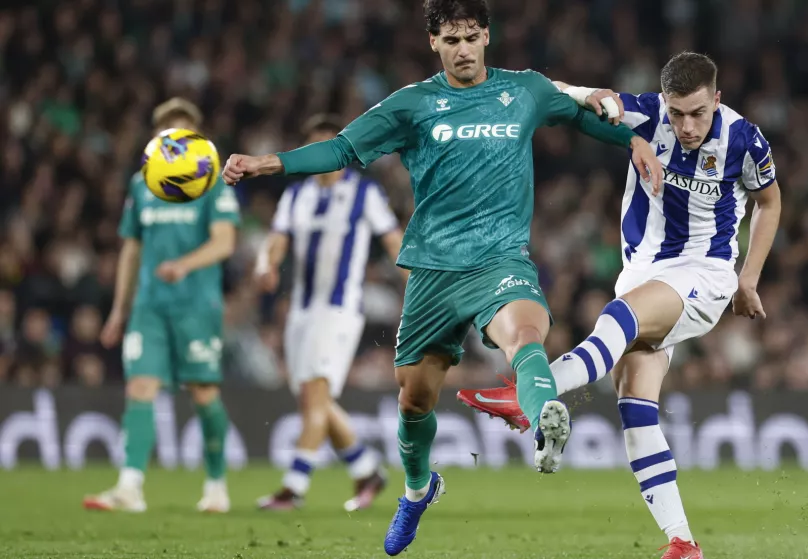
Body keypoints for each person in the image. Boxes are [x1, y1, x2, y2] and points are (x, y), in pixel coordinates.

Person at [221, 0, 662, 553]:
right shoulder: (412, 104)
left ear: (487, 37)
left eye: (472, 37)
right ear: (434, 42)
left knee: (524, 334)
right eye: (452, 40)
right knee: (414, 403)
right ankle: (417, 488)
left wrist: (635, 141)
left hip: (500, 260)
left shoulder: (523, 89)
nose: (463, 50)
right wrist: (269, 164)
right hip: (432, 271)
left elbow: (577, 114)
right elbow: (341, 149)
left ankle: (545, 412)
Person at [457, 52, 783, 559]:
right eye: (677, 113)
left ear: (716, 100)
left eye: (698, 112)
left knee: (616, 319)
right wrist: (572, 93)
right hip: (642, 273)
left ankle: (530, 397)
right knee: (635, 407)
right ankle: (682, 541)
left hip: (705, 273)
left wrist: (749, 279)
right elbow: (560, 87)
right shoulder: (646, 116)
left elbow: (770, 201)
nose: (687, 125)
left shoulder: (744, 139)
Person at [83, 97, 241, 513]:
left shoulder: (214, 182)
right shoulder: (141, 184)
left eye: (182, 133)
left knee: (204, 393)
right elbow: (130, 250)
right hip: (149, 306)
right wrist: (119, 309)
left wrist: (183, 265)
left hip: (196, 305)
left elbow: (225, 242)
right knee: (140, 387)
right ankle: (129, 487)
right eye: (165, 134)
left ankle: (216, 485)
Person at [254, 114, 407, 511]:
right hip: (301, 311)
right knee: (312, 400)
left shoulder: (364, 194)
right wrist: (267, 265)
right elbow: (277, 239)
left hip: (339, 312)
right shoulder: (296, 195)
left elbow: (393, 240)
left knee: (316, 392)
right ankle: (366, 468)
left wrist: (417, 279)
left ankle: (294, 486)